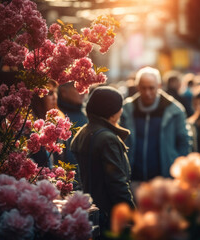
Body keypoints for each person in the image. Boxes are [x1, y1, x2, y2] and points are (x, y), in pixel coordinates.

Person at [70, 86, 135, 239]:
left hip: (90, 210)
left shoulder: (84, 132)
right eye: (120, 107)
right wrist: (132, 216)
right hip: (109, 215)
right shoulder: (107, 139)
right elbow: (117, 183)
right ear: (113, 111)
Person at [120, 66, 190, 182]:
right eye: (143, 88)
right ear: (138, 87)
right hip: (133, 179)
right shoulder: (127, 109)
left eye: (151, 88)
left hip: (165, 179)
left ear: (159, 86)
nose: (147, 93)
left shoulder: (175, 110)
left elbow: (184, 142)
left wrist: (176, 169)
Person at [30, 80, 66, 167]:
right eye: (50, 93)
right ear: (39, 99)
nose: (55, 97)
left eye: (55, 92)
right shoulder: (30, 127)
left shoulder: (60, 120)